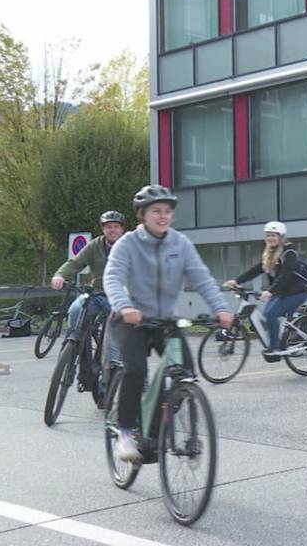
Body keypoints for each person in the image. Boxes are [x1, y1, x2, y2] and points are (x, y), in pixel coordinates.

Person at [104, 185, 233, 462]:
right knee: (136, 370)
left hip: (165, 322)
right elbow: (113, 277)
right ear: (142, 214)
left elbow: (202, 278)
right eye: (156, 211)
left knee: (185, 372)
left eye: (167, 212)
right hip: (130, 320)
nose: (163, 216)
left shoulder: (180, 243)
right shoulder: (128, 243)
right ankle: (125, 434)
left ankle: (154, 429)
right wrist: (124, 305)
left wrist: (221, 308)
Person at [50, 211, 125, 393]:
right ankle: (72, 346)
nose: (112, 230)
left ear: (122, 229)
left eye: (116, 226)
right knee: (76, 308)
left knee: (114, 334)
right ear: (103, 229)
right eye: (108, 226)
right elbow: (75, 263)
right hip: (96, 292)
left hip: (118, 296)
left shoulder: (128, 246)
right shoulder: (95, 245)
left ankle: (111, 373)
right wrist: (60, 275)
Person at [224, 221, 307, 361]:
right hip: (282, 293)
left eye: (273, 235)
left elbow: (285, 276)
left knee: (271, 314)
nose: (270, 238)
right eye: (268, 235)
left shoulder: (289, 253)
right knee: (267, 315)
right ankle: (280, 340)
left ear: (281, 237)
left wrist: (270, 291)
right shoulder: (269, 254)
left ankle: (275, 347)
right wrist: (237, 281)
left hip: (297, 293)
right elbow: (256, 270)